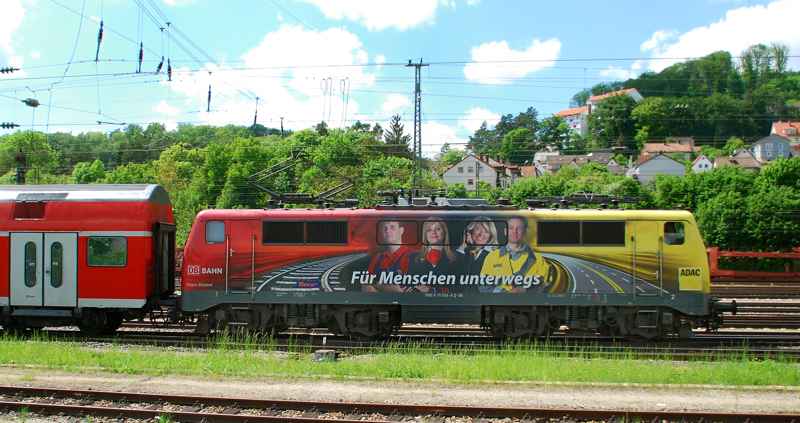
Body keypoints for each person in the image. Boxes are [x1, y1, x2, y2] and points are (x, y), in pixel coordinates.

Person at [479, 215, 551, 293]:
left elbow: (546, 285)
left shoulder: (538, 259)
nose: (514, 232)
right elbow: (484, 286)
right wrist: (506, 294)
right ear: (505, 231)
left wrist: (524, 292)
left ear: (525, 232)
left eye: (519, 228)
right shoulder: (492, 257)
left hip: (528, 304)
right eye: (511, 228)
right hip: (500, 304)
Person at [407, 217, 465, 293]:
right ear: (425, 234)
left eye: (437, 229)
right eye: (429, 230)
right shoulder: (414, 257)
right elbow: (408, 283)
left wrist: (434, 290)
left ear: (444, 232)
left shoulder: (458, 259)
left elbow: (460, 289)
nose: (433, 232)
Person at [361, 219, 414, 292]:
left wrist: (376, 286)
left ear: (401, 230)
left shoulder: (411, 256)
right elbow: (365, 287)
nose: (388, 231)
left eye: (392, 227)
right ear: (382, 232)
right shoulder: (378, 258)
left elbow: (406, 291)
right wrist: (389, 288)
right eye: (385, 228)